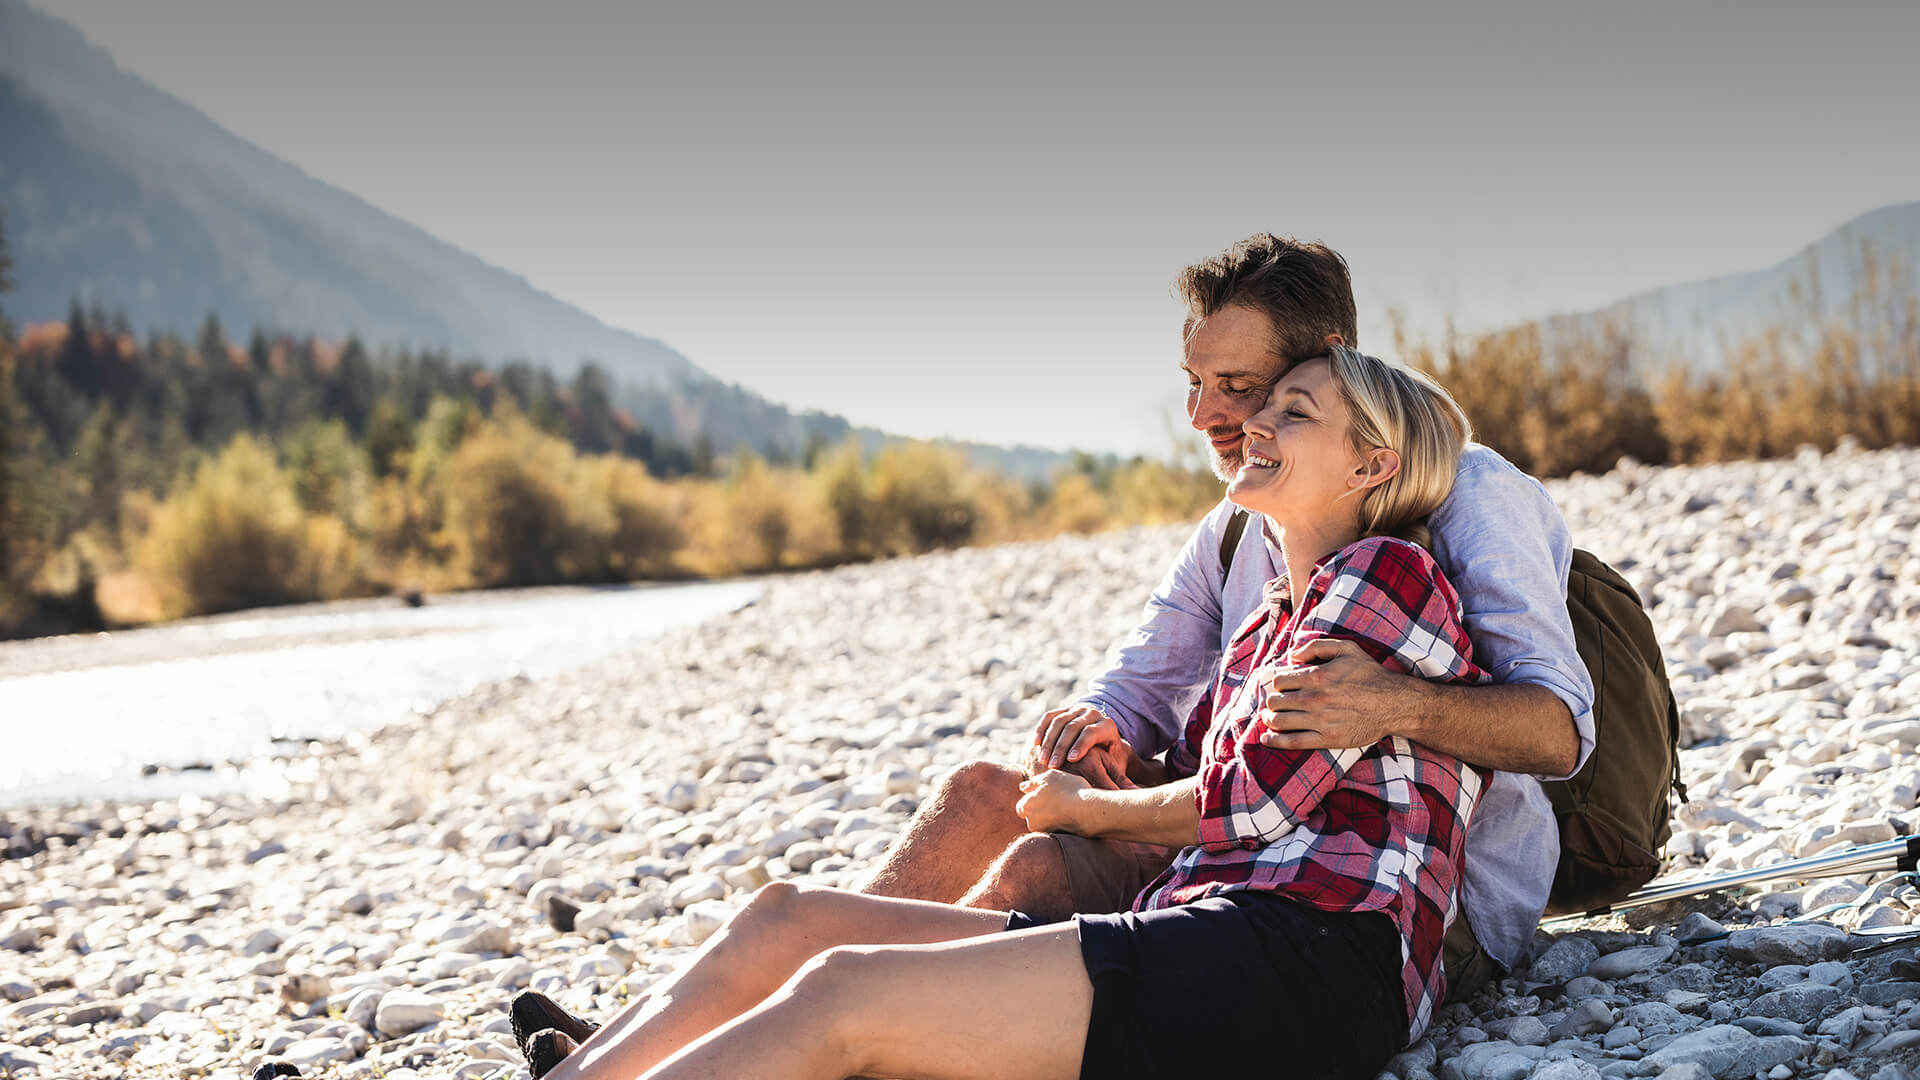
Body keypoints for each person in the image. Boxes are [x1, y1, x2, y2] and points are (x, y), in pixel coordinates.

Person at [522, 346, 1496, 1080]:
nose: (1254, 425)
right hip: (1203, 932)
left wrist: (1083, 810)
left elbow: (1247, 807)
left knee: (843, 993)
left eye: (1295, 412)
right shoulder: (1264, 629)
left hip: (1316, 957)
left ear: (1371, 465)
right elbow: (1214, 792)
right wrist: (1105, 766)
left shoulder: (1386, 572)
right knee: (788, 920)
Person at [859, 235, 1595, 999]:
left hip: (1414, 898)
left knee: (1038, 869)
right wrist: (1093, 731)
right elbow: (1141, 687)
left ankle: (866, 1014)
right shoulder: (1237, 525)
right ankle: (805, 993)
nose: (1204, 416)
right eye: (1195, 381)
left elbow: (1561, 732)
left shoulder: (1471, 492)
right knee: (982, 790)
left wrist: (1398, 704)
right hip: (1236, 844)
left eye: (1238, 384)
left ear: (1326, 361)